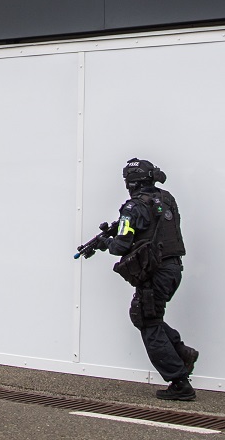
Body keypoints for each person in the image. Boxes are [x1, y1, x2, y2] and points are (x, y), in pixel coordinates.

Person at [82, 158, 198, 401]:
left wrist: (106, 242)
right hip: (173, 267)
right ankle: (181, 352)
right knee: (150, 317)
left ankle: (179, 382)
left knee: (146, 320)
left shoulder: (132, 208)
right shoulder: (166, 199)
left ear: (130, 182)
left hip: (155, 272)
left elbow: (120, 246)